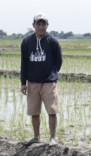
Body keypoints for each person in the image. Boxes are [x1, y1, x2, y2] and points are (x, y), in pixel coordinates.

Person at [20, 13, 63, 145]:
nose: (41, 26)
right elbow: (24, 63)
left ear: (47, 26)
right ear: (34, 25)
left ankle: (52, 138)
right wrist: (23, 82)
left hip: (49, 83)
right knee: (34, 112)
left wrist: (51, 74)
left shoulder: (53, 42)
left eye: (43, 24)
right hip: (32, 82)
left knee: (52, 110)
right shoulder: (27, 42)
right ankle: (36, 136)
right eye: (38, 24)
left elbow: (58, 61)